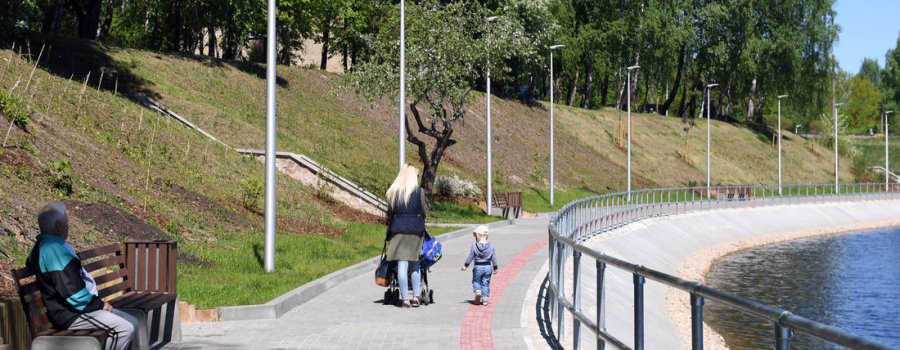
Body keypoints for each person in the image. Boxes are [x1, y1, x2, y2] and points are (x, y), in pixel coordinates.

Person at [26, 202, 138, 350]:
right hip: (72, 314)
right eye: (67, 222)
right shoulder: (53, 250)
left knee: (133, 322)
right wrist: (99, 305)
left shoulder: (47, 245)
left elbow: (30, 263)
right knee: (124, 329)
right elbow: (74, 293)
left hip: (77, 309)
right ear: (59, 225)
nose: (68, 226)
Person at [385, 164, 428, 308]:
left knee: (401, 266)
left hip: (398, 231)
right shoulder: (419, 192)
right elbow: (424, 211)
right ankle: (416, 296)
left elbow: (390, 213)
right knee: (415, 264)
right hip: (415, 231)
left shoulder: (393, 192)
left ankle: (405, 299)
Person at [461, 225, 499, 305]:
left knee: (476, 281)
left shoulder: (474, 246)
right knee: (486, 282)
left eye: (475, 236)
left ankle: (478, 291)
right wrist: (495, 268)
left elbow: (470, 256)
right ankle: (485, 299)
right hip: (488, 267)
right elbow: (494, 258)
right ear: (486, 236)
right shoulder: (491, 246)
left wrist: (465, 265)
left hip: (478, 266)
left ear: (478, 235)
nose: (475, 238)